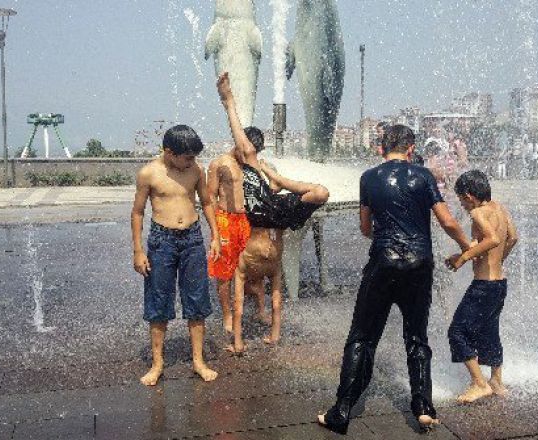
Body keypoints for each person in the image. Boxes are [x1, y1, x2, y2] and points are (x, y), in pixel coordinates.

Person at [317, 124, 472, 435]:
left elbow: (365, 228)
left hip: (383, 263)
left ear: (380, 149)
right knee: (416, 337)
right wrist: (468, 247)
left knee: (361, 336)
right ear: (411, 149)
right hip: (419, 265)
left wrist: (387, 235)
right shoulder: (423, 176)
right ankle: (424, 407)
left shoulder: (368, 178)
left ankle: (342, 410)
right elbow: (447, 220)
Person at [217, 72, 329, 355]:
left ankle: (240, 343)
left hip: (265, 215)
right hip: (269, 232)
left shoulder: (252, 167)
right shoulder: (245, 167)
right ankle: (271, 336)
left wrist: (272, 176)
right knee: (273, 289)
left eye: (244, 147)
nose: (239, 148)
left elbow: (241, 143)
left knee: (321, 192)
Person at [131, 125, 221, 385]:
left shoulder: (195, 170)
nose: (192, 162)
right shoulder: (149, 173)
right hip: (162, 241)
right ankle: (157, 364)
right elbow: (137, 212)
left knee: (197, 300)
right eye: (187, 157)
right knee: (158, 301)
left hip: (192, 239)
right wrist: (138, 251)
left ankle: (198, 361)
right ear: (169, 152)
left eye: (194, 157)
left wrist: (214, 236)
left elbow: (206, 202)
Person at [445, 170, 518, 403]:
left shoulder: (477, 212)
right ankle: (496, 381)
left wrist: (463, 258)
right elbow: (512, 238)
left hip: (483, 285)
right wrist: (496, 259)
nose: (463, 206)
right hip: (499, 283)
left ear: (469, 196)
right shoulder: (499, 208)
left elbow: (492, 239)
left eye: (461, 200)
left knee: (457, 332)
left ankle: (479, 383)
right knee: (490, 330)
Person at [207, 147, 268, 333]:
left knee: (252, 266)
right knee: (224, 271)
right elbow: (210, 197)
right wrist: (216, 229)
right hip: (226, 218)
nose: (250, 156)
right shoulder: (219, 164)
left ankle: (257, 309)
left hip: (245, 220)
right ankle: (227, 314)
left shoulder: (249, 165)